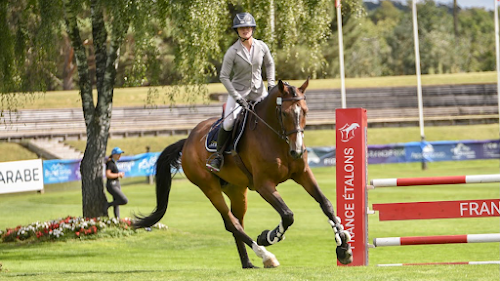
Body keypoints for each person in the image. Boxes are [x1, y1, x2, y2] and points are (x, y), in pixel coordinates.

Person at [206, 12, 276, 172]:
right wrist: (236, 97)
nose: (245, 30)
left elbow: (270, 64)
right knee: (229, 122)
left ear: (252, 28)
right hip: (238, 92)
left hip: (260, 92)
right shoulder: (232, 51)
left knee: (274, 115)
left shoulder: (262, 46)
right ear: (237, 31)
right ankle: (218, 156)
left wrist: (271, 84)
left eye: (247, 27)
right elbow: (223, 76)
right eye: (241, 28)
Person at [105, 147, 128, 218]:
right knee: (124, 200)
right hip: (112, 185)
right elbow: (108, 174)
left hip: (115, 184)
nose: (120, 156)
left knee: (117, 202)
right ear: (114, 155)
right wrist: (118, 174)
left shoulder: (113, 163)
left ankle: (117, 219)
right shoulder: (110, 163)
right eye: (118, 154)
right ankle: (107, 205)